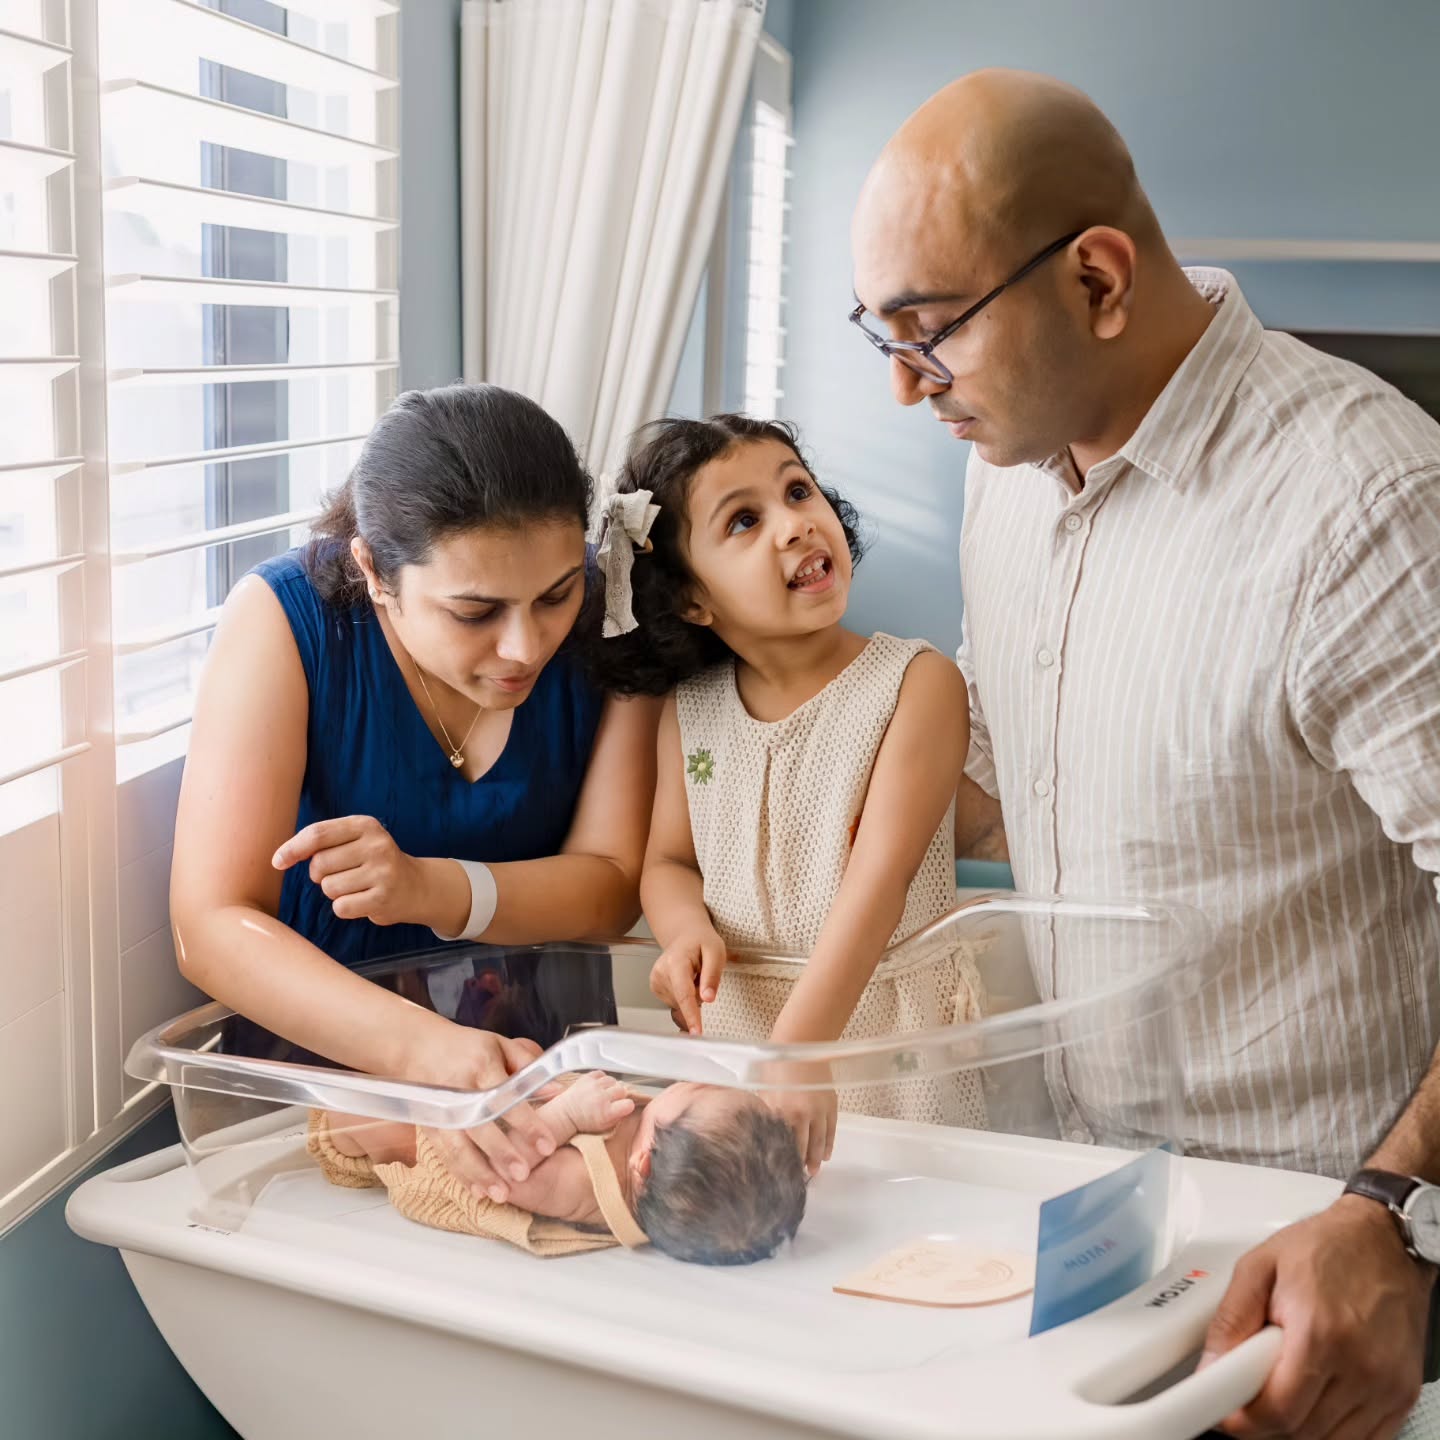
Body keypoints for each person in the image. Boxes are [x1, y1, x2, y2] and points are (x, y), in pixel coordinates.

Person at [850, 67, 1440, 1439]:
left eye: (928, 333)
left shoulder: (1370, 508)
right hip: (1095, 1235)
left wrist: (1395, 1215)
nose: (899, 387)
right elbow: (1013, 783)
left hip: (1325, 1275)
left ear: (1099, 281)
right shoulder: (1002, 464)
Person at [170, 383, 660, 1210]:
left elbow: (609, 886)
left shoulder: (609, 614)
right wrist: (431, 1057)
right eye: (474, 612)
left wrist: (436, 887)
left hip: (553, 1083)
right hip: (327, 1105)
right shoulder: (286, 622)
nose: (525, 644)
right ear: (374, 573)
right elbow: (210, 927)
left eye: (554, 595)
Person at [590, 415, 989, 1177]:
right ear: (694, 601)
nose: (797, 524)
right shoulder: (692, 710)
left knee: (901, 1229)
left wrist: (799, 1055)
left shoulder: (916, 684)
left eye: (799, 491)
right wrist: (681, 933)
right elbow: (668, 862)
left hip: (878, 1037)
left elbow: (880, 879)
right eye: (745, 519)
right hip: (739, 1031)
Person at [309, 1071, 808, 1266]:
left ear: (645, 1160)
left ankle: (331, 1121)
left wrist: (565, 1115)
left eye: (697, 1090)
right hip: (488, 1111)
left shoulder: (585, 1185)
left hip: (445, 1161)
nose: (691, 1081)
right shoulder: (661, 1155)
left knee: (367, 1112)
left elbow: (505, 1175)